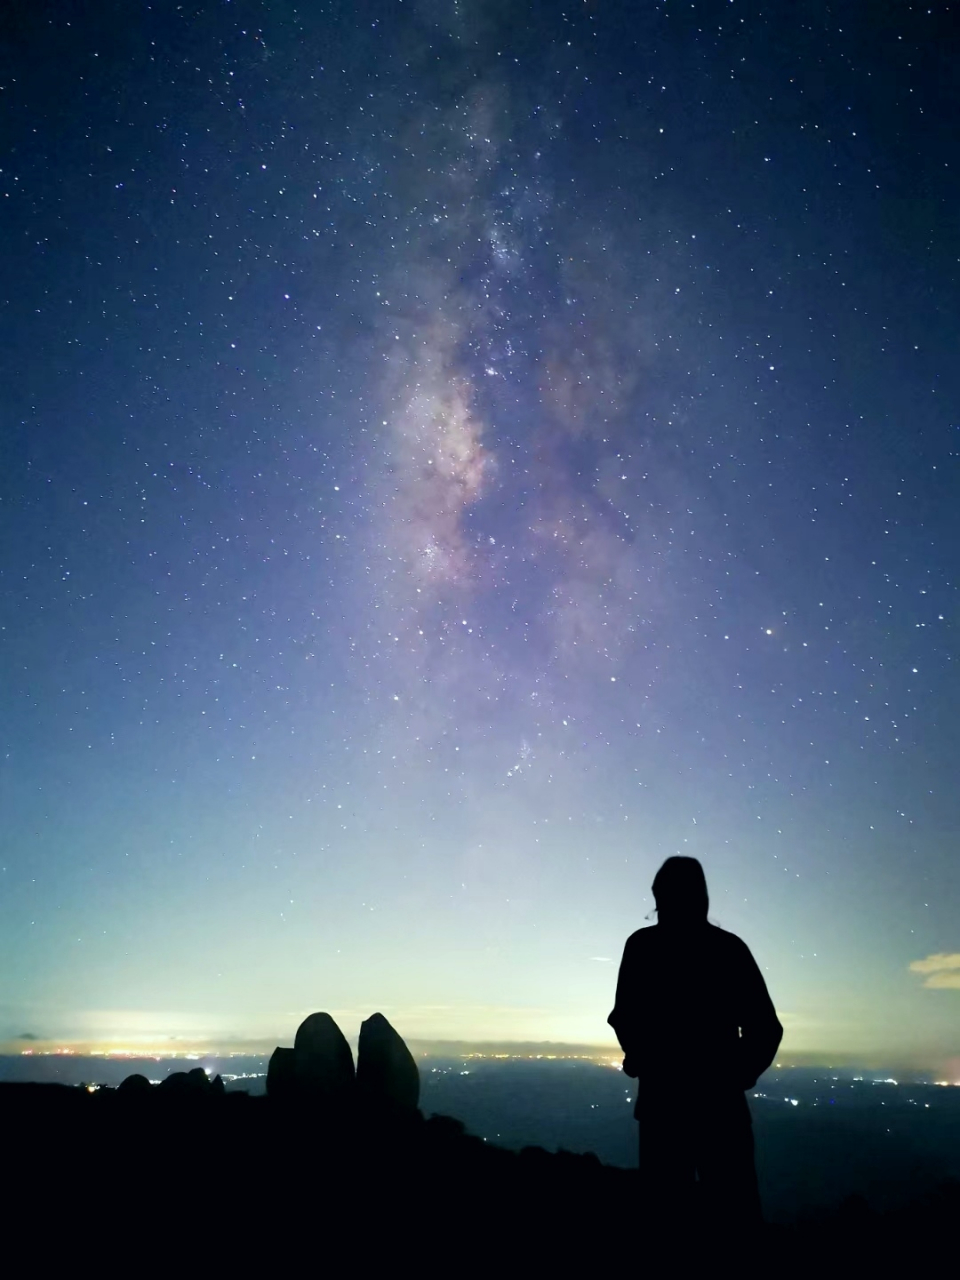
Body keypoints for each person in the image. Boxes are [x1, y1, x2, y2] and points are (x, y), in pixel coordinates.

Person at [608, 856, 782, 1235]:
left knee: (668, 1218)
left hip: (663, 1105)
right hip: (720, 1108)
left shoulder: (642, 947)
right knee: (734, 1216)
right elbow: (766, 1030)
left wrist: (642, 1057)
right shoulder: (728, 949)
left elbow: (624, 1017)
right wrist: (735, 1076)